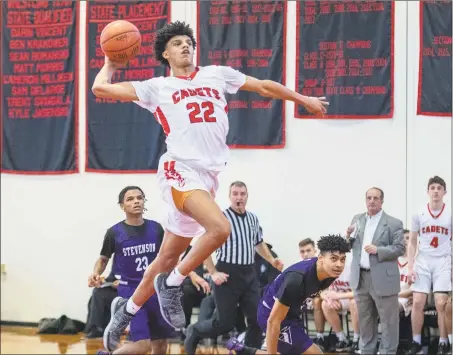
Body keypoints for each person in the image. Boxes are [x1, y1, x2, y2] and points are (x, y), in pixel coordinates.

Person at [92, 20, 328, 351]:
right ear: (165, 52)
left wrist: (302, 98)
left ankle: (124, 315)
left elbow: (263, 86)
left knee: (164, 259)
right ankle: (172, 286)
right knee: (220, 228)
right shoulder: (156, 87)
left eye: (188, 41)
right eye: (177, 43)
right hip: (178, 169)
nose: (185, 46)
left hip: (206, 178)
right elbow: (100, 89)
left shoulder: (216, 74)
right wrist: (110, 62)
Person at [95, 186, 209, 354]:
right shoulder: (114, 232)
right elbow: (103, 259)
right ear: (122, 206)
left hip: (155, 290)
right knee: (143, 345)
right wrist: (96, 274)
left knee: (161, 343)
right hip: (131, 291)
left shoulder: (156, 229)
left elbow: (170, 257)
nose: (136, 201)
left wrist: (192, 275)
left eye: (139, 198)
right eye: (130, 199)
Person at [184, 181, 283, 354]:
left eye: (242, 194)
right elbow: (204, 247)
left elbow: (259, 244)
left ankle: (249, 351)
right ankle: (196, 331)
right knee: (224, 324)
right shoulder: (221, 218)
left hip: (248, 274)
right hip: (227, 274)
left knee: (256, 320)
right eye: (235, 194)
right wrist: (213, 272)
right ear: (230, 196)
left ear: (247, 196)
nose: (239, 197)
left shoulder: (253, 218)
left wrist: (271, 260)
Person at [226, 235, 351, 355]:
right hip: (270, 314)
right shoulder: (296, 280)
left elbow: (314, 289)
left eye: (342, 259)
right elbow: (273, 321)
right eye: (334, 259)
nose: (339, 264)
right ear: (321, 258)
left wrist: (325, 296)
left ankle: (242, 350)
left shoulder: (329, 273)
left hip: (291, 312)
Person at [345, 187, 405, 355]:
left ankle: (388, 352)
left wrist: (378, 250)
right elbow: (349, 247)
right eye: (369, 198)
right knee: (365, 321)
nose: (372, 201)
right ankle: (366, 351)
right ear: (365, 200)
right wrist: (347, 236)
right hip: (360, 278)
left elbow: (400, 248)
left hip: (383, 279)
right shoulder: (357, 219)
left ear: (382, 201)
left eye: (375, 198)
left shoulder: (394, 223)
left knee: (388, 322)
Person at [406, 176, 452, 355]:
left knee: (441, 303)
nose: (435, 191)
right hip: (423, 261)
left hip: (443, 261)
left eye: (439, 188)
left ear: (444, 192)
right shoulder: (418, 213)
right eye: (432, 188)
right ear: (427, 191)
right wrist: (410, 266)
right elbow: (412, 242)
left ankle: (443, 341)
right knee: (417, 302)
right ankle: (416, 341)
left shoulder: (450, 214)